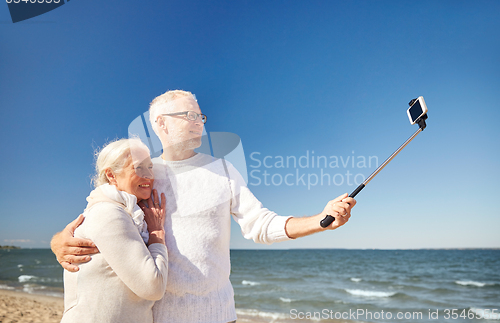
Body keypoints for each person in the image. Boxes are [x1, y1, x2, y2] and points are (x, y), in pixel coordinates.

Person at [52, 90, 356, 323]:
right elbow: (102, 212)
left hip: (218, 314)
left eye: (201, 117)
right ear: (160, 124)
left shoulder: (223, 170)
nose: (199, 123)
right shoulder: (144, 174)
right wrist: (58, 241)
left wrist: (321, 219)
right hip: (159, 316)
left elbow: (260, 225)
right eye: (189, 116)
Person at [59, 138, 168, 323]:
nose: (149, 175)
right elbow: (153, 287)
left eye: (150, 167)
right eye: (138, 167)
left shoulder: (128, 213)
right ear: (111, 175)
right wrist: (157, 233)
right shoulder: (108, 212)